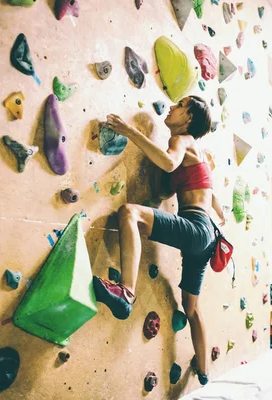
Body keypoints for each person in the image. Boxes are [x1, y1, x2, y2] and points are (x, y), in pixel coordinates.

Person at [93, 95, 226, 386]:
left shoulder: (183, 140)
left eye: (179, 106)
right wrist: (219, 210)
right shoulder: (197, 151)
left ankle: (126, 290)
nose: (171, 107)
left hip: (196, 226)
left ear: (189, 117)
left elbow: (167, 163)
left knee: (129, 213)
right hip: (207, 237)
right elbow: (177, 190)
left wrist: (129, 131)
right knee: (191, 309)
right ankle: (203, 370)